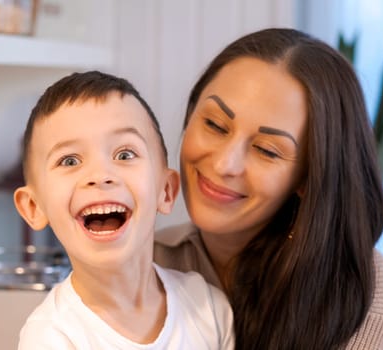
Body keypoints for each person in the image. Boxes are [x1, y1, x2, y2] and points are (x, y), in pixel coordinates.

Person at [154, 28, 383, 349]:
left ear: (308, 177)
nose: (224, 164)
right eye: (215, 125)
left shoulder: (355, 283)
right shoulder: (148, 260)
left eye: (267, 150)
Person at [13, 70, 234, 349]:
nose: (100, 175)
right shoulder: (51, 337)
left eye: (125, 154)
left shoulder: (208, 308)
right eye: (69, 161)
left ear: (165, 190)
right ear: (33, 207)